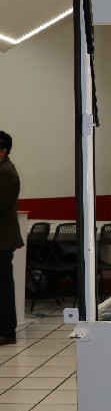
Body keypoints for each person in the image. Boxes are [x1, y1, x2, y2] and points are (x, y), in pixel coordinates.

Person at [0, 131, 24, 345]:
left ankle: (7, 332)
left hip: (2, 241)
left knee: (3, 288)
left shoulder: (5, 172)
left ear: (3, 150)